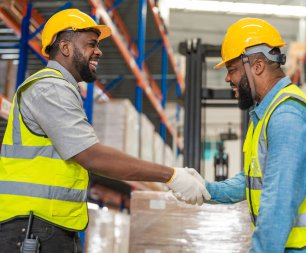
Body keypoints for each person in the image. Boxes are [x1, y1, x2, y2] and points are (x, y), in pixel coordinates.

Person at [0, 9, 210, 253]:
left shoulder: (61, 90)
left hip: (43, 228)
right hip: (32, 229)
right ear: (65, 47)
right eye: (90, 44)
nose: (98, 51)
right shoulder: (50, 89)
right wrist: (170, 175)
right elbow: (92, 156)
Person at [188, 18, 306, 253]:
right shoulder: (267, 113)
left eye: (232, 70)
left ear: (257, 66)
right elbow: (254, 179)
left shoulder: (288, 115)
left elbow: (279, 202)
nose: (228, 79)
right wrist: (207, 189)